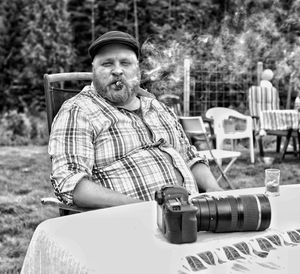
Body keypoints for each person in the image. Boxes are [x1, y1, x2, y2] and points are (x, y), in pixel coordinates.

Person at [49, 31, 223, 209]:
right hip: (131, 224)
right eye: (107, 64)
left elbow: (189, 157)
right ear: (94, 70)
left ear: (137, 70)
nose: (117, 71)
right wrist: (147, 209)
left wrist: (214, 189)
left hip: (194, 215)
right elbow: (71, 182)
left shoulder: (158, 107)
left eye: (125, 63)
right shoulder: (78, 110)